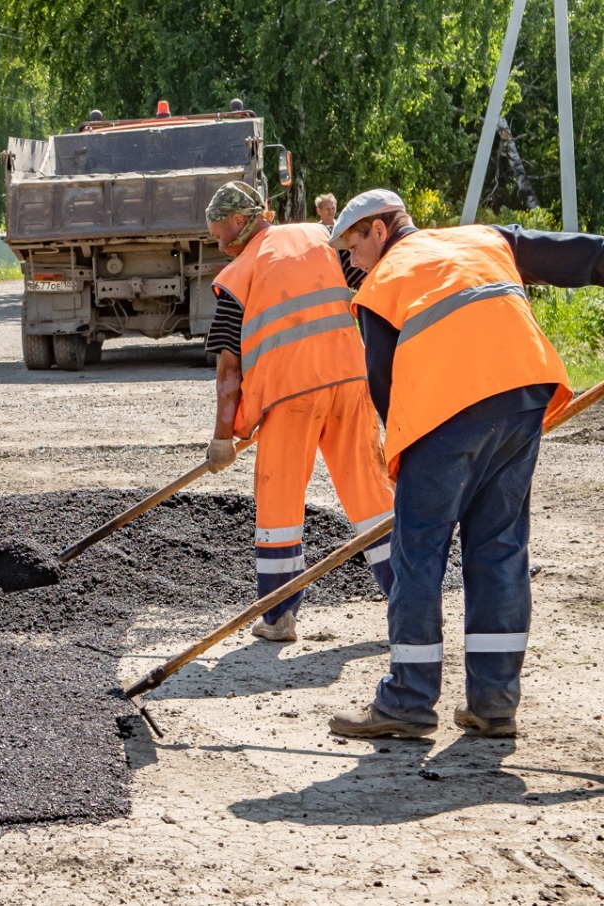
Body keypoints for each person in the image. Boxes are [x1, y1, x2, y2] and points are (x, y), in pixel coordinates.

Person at [325, 189, 604, 739]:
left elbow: (385, 390)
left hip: (446, 416)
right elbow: (581, 255)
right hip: (522, 396)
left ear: (380, 230)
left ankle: (408, 701)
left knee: (418, 552)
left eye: (352, 247)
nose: (352, 262)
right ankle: (494, 704)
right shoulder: (483, 238)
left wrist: (404, 463)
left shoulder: (382, 286)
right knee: (499, 547)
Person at [201, 181, 395, 643]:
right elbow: (369, 283)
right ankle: (412, 601)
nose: (218, 245)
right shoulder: (320, 236)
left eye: (217, 234)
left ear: (237, 222)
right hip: (350, 383)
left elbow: (229, 370)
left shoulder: (240, 272)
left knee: (279, 505)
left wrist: (223, 438)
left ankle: (278, 617)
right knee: (372, 495)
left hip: (290, 399)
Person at [316, 191, 367, 289]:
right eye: (327, 209)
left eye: (333, 208)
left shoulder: (343, 226)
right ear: (319, 211)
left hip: (359, 272)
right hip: (335, 275)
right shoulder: (316, 231)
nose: (331, 211)